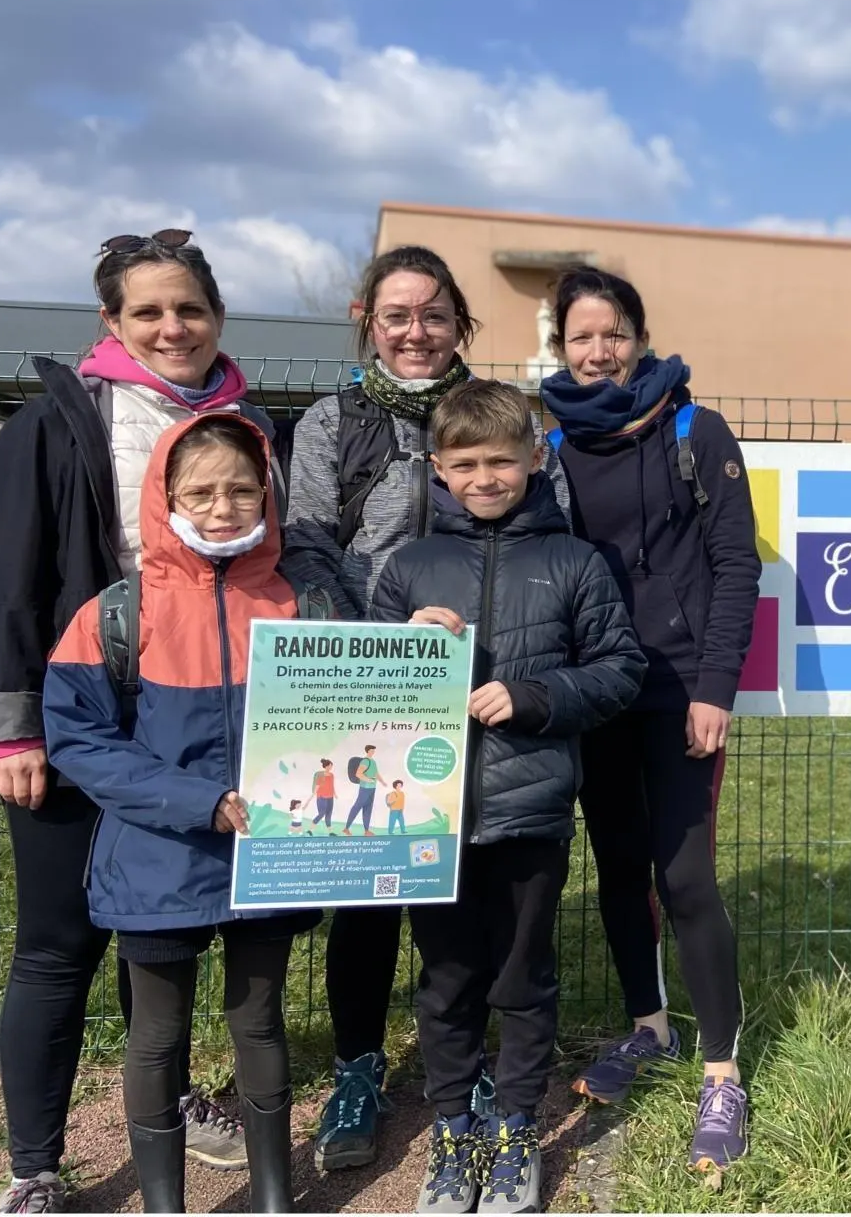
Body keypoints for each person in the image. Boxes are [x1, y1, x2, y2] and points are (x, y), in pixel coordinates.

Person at [0, 230, 275, 1211]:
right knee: (58, 944)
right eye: (149, 312)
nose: (172, 327)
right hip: (81, 711)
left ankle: (167, 1097)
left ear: (217, 316)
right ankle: (35, 1164)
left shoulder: (249, 423)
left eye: (190, 308)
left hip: (202, 719)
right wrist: (10, 726)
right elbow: (0, 576)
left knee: (169, 928)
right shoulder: (54, 426)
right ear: (111, 322)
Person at [283, 244, 570, 1171]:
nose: (417, 331)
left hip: (491, 683)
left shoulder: (502, 414)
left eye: (435, 315)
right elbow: (306, 542)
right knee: (370, 894)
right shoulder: (332, 421)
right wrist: (379, 641)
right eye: (398, 315)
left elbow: (551, 527)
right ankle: (359, 1069)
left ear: (460, 324)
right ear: (368, 321)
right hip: (374, 681)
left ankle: (476, 1071)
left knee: (473, 899)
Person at [369, 379, 646, 1213]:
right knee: (446, 980)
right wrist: (401, 646)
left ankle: (518, 1125)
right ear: (437, 468)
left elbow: (620, 668)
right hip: (427, 815)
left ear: (533, 459)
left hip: (530, 811)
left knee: (523, 980)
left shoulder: (574, 562)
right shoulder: (408, 566)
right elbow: (360, 688)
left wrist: (536, 697)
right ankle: (454, 1128)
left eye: (500, 460)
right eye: (465, 464)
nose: (484, 478)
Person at [42, 413, 322, 1213]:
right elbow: (77, 738)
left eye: (242, 489)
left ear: (267, 492)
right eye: (200, 492)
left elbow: (359, 703)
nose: (223, 507)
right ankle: (165, 1204)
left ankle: (274, 1197)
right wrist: (200, 802)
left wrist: (427, 631)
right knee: (157, 1034)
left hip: (270, 852)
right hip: (159, 857)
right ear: (165, 498)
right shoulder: (117, 615)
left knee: (259, 1022)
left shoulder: (304, 601)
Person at [540, 266, 761, 1172]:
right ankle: (650, 1028)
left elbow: (737, 565)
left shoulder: (693, 430)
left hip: (679, 693)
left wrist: (715, 688)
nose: (600, 351)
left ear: (639, 338)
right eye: (581, 337)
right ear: (560, 347)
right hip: (594, 693)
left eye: (615, 334)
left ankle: (722, 1072)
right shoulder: (549, 443)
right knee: (622, 870)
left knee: (687, 879)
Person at [343, 743, 386, 836]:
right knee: (357, 806)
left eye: (374, 750)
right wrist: (368, 780)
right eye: (372, 750)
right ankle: (346, 828)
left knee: (368, 808)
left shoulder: (373, 761)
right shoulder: (365, 761)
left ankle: (366, 830)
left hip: (372, 788)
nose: (373, 752)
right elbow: (358, 774)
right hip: (365, 788)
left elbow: (376, 773)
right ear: (368, 751)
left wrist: (382, 782)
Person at [308, 759, 336, 832]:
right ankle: (310, 829)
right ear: (326, 766)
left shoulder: (332, 775)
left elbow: (332, 785)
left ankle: (330, 832)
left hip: (330, 797)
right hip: (321, 797)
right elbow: (317, 786)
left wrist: (335, 794)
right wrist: (312, 795)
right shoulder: (321, 776)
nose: (331, 767)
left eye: (331, 766)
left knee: (329, 814)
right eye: (330, 766)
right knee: (321, 814)